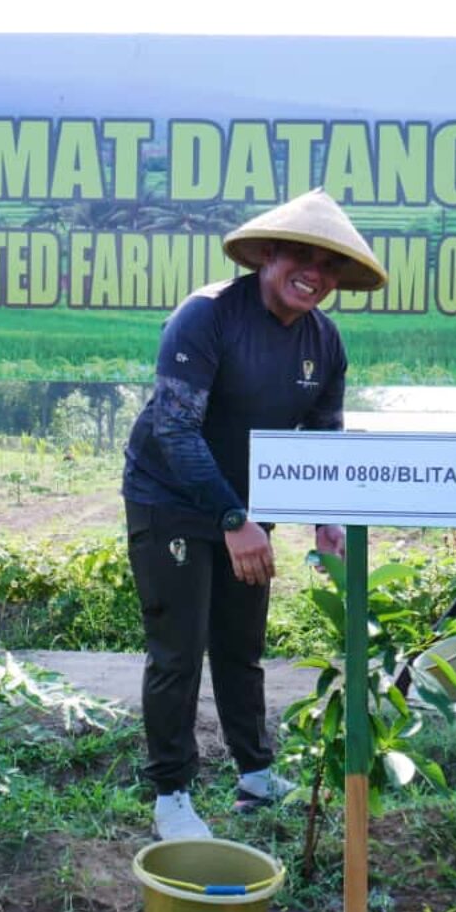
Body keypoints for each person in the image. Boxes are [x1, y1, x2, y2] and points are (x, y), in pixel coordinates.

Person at [122, 188, 387, 840]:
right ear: (267, 254)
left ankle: (255, 773)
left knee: (241, 645)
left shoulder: (325, 343)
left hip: (245, 509)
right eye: (302, 257)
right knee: (178, 650)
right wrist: (233, 519)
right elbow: (176, 432)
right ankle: (172, 795)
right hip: (173, 500)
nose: (315, 276)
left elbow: (324, 435)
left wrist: (325, 517)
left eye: (329, 267)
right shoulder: (207, 316)